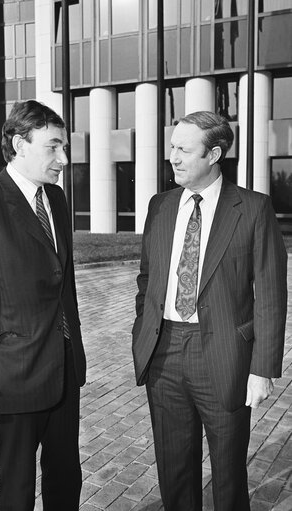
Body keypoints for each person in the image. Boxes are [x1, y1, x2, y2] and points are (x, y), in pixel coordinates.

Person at [132, 111, 287, 511]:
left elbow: (270, 293)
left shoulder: (253, 209)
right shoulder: (160, 205)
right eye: (172, 148)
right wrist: (143, 333)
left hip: (223, 357)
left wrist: (262, 368)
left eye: (184, 149)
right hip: (163, 354)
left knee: (228, 473)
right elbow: (147, 278)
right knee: (174, 470)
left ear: (214, 153)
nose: (173, 157)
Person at [0, 100, 86, 511]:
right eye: (53, 146)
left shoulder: (57, 201)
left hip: (64, 370)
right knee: (17, 489)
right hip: (13, 378)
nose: (63, 158)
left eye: (64, 147)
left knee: (66, 481)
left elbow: (66, 283)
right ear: (19, 143)